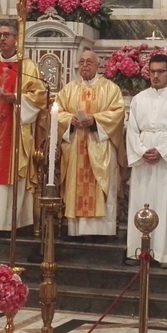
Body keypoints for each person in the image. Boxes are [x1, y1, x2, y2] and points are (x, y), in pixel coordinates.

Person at [0, 22, 47, 231]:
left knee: (13, 172)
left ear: (16, 39)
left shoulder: (27, 67)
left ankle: (12, 223)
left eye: (7, 35)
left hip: (15, 129)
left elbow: (40, 96)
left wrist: (14, 97)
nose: (2, 39)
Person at [126, 54, 167, 268]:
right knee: (142, 200)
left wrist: (162, 152)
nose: (155, 75)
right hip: (144, 158)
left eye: (160, 71)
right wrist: (142, 150)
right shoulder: (139, 99)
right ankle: (140, 251)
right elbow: (132, 130)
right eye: (152, 71)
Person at [56, 50, 125, 237]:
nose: (85, 65)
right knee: (76, 188)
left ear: (97, 65)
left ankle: (102, 232)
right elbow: (56, 112)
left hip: (100, 146)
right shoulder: (69, 89)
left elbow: (118, 113)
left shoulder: (110, 89)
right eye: (82, 62)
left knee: (102, 188)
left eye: (89, 62)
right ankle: (76, 231)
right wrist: (70, 119)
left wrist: (94, 121)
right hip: (75, 147)